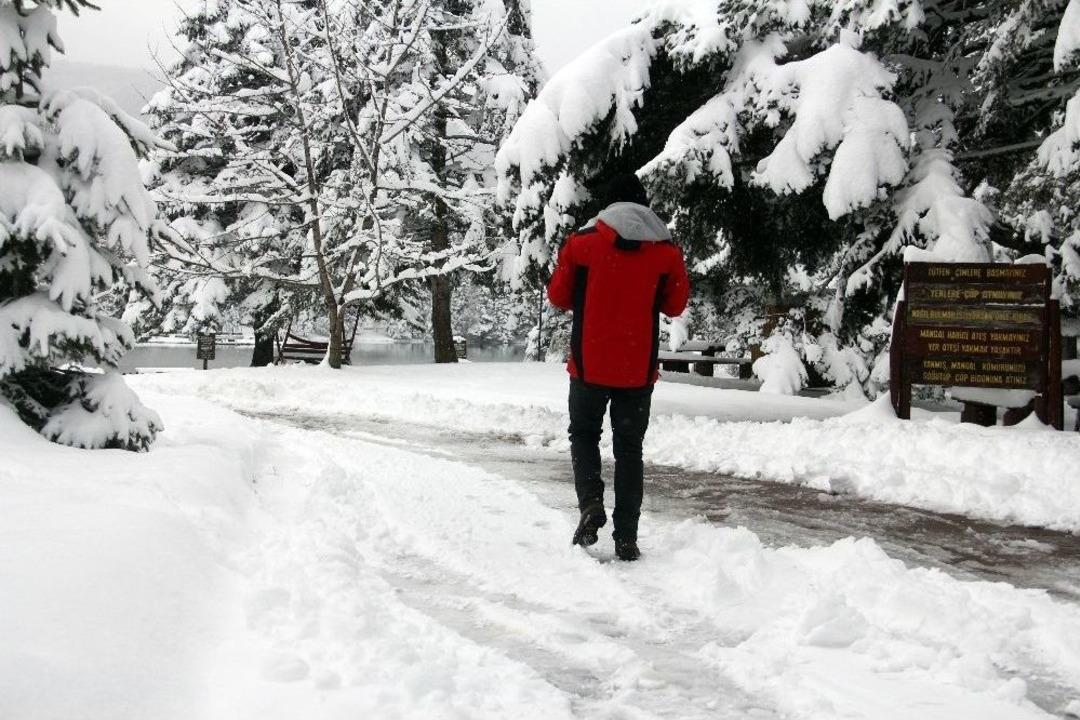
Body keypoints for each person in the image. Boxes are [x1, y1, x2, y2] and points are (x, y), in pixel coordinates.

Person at [547, 173, 690, 561]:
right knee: (629, 449)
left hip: (589, 364)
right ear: (644, 206)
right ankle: (626, 536)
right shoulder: (665, 252)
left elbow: (558, 296)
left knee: (584, 434)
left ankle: (591, 504)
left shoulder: (582, 244)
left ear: (607, 208)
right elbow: (675, 305)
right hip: (636, 369)